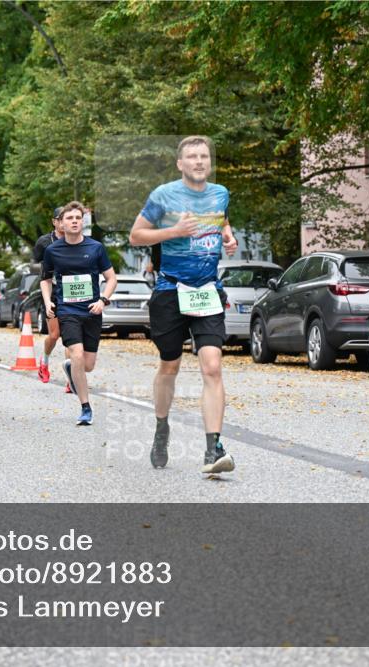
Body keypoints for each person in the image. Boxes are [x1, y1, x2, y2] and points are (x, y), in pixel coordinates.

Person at [128, 135, 239, 474]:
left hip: (207, 290)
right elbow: (136, 236)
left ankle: (212, 449)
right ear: (180, 163)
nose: (199, 161)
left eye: (204, 156)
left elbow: (220, 219)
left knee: (212, 366)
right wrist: (174, 232)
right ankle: (162, 428)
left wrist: (228, 236)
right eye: (191, 156)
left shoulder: (220, 194)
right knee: (170, 366)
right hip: (170, 291)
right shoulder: (163, 195)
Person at [40, 201, 117, 426]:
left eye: (77, 218)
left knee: (88, 364)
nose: (74, 221)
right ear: (61, 224)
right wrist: (47, 302)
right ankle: (85, 407)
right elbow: (45, 280)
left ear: (82, 221)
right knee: (76, 354)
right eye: (69, 218)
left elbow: (111, 278)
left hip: (92, 311)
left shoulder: (95, 248)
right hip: (67, 310)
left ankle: (72, 369)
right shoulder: (52, 250)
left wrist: (103, 299)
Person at [32, 207, 66, 385]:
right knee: (54, 335)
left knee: (71, 335)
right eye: (60, 219)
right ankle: (44, 362)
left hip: (70, 293)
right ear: (54, 222)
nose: (64, 222)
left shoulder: (77, 240)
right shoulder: (44, 242)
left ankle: (72, 378)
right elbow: (36, 265)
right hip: (51, 292)